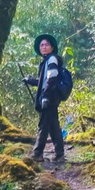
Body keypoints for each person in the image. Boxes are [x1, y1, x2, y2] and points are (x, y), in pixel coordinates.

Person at [24, 33, 65, 163]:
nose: (44, 47)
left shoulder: (52, 60)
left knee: (43, 125)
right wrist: (30, 80)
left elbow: (52, 79)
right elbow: (44, 81)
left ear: (52, 47)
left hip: (49, 98)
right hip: (50, 97)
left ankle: (37, 153)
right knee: (53, 126)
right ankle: (60, 154)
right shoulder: (47, 61)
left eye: (46, 44)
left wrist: (46, 97)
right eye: (42, 45)